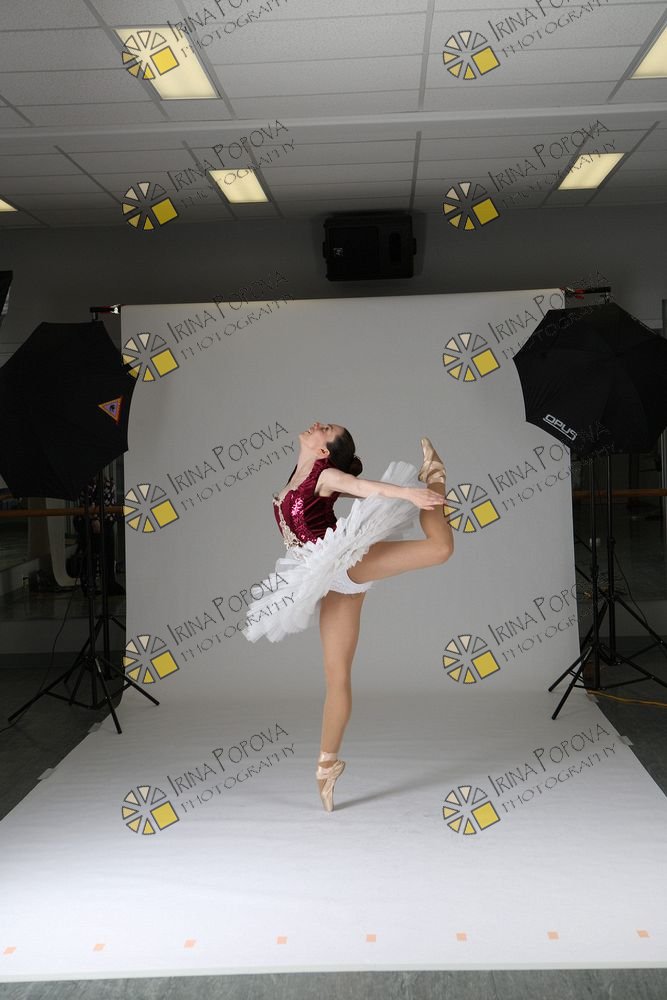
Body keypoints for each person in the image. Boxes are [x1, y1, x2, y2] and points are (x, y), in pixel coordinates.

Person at [243, 422, 453, 812]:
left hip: (344, 559)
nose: (316, 425)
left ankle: (436, 479)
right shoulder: (299, 474)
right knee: (336, 675)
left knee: (440, 549)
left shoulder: (326, 475)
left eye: (325, 429)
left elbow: (363, 487)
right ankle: (327, 765)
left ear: (324, 451)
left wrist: (410, 493)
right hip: (326, 576)